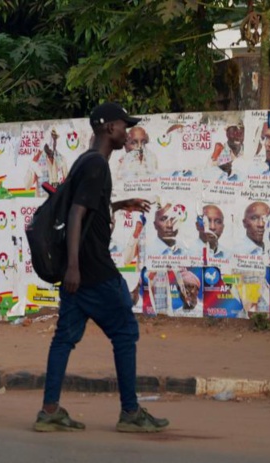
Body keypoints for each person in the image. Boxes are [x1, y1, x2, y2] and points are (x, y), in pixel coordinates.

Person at [33, 102, 169, 433]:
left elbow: (86, 205)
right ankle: (130, 413)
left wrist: (120, 204)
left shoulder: (86, 161)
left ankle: (49, 410)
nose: (128, 132)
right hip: (93, 271)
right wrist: (76, 268)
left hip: (77, 273)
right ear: (109, 127)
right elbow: (77, 214)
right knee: (125, 332)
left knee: (63, 340)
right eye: (125, 126)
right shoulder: (97, 166)